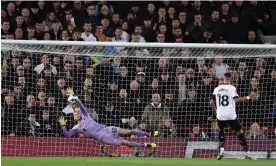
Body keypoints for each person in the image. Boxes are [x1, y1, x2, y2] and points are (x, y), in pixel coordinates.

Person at [58, 88, 158, 149]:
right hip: (104, 138)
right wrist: (63, 126)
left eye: (78, 112)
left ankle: (149, 134)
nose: (77, 113)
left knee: (129, 131)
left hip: (107, 128)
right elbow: (67, 135)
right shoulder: (77, 128)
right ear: (73, 117)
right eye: (75, 113)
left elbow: (81, 104)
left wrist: (73, 95)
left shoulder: (86, 117)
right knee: (126, 143)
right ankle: (146, 145)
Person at [210, 73, 257, 160]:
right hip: (230, 115)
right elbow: (236, 100)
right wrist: (248, 97)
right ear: (231, 79)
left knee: (221, 130)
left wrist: (216, 112)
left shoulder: (216, 89)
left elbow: (211, 102)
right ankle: (247, 152)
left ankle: (221, 150)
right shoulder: (231, 88)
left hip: (220, 115)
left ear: (224, 79)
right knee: (239, 131)